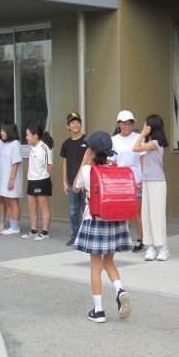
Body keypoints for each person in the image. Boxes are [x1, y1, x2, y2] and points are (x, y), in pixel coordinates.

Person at [72, 131, 133, 323]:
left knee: (95, 265)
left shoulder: (87, 170)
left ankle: (98, 310)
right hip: (115, 220)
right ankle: (119, 290)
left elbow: (75, 188)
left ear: (90, 150)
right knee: (109, 262)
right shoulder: (116, 168)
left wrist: (84, 161)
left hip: (95, 220)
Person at [133, 114, 170, 261]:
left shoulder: (155, 143)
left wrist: (142, 134)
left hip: (157, 182)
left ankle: (162, 247)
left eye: (145, 124)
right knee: (146, 214)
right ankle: (151, 246)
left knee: (157, 214)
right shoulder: (151, 143)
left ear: (151, 127)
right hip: (148, 181)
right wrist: (143, 180)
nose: (143, 127)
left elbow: (135, 148)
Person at [111, 110, 145, 252]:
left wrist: (144, 178)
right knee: (121, 211)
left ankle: (140, 239)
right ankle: (123, 239)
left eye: (130, 123)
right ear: (118, 124)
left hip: (136, 177)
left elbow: (143, 159)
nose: (127, 126)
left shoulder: (139, 137)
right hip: (120, 179)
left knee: (137, 211)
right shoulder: (113, 140)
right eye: (124, 123)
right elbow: (111, 161)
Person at [21, 123, 54, 241]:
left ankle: (45, 232)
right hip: (32, 180)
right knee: (31, 206)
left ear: (35, 136)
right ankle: (33, 230)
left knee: (43, 206)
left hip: (42, 180)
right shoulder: (32, 148)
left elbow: (50, 166)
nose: (26, 137)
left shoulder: (44, 148)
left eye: (28, 135)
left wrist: (51, 181)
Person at [60, 112, 88, 246]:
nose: (75, 125)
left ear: (81, 124)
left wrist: (85, 181)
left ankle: (87, 235)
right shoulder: (66, 144)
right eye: (72, 123)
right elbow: (65, 163)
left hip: (85, 183)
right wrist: (64, 181)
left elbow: (90, 160)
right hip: (72, 183)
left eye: (77, 122)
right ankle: (76, 235)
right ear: (68, 126)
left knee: (86, 209)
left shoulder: (87, 141)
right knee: (73, 210)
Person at [0, 121, 24, 235]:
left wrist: (11, 179)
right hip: (4, 178)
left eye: (3, 130)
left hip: (12, 178)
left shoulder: (15, 144)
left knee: (13, 201)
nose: (1, 133)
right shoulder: (5, 145)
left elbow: (15, 163)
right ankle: (12, 226)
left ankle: (15, 227)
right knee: (7, 201)